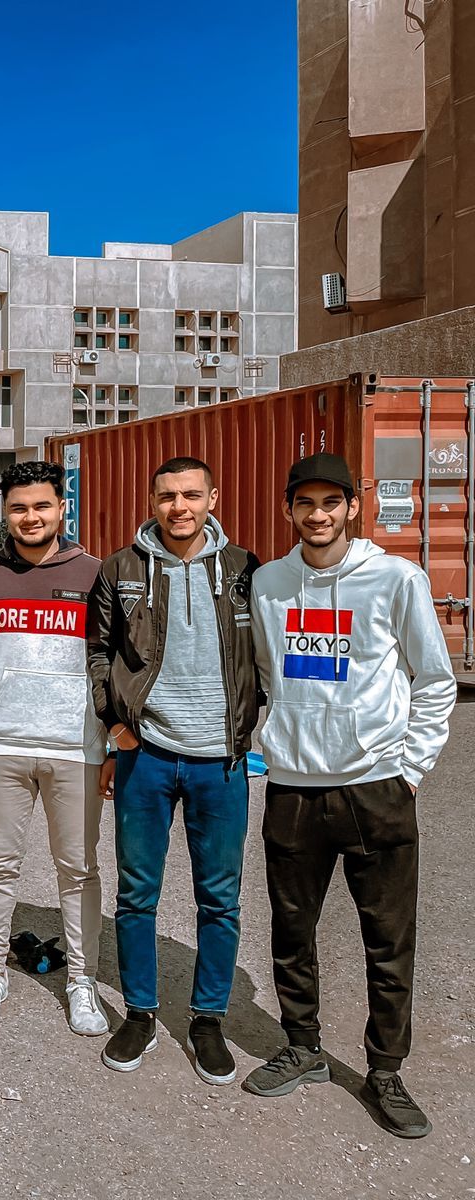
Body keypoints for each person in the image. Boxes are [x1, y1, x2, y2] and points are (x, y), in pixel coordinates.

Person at [241, 453, 455, 1138]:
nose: (318, 515)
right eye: (305, 503)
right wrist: (277, 742)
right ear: (288, 510)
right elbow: (268, 673)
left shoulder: (396, 578)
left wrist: (409, 769)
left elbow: (434, 679)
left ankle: (385, 1071)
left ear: (352, 508)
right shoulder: (270, 583)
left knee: (388, 941)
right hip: (294, 791)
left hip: (376, 790)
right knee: (291, 931)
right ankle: (302, 1046)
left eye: (331, 502)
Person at [86, 456, 259, 1084]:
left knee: (220, 898)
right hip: (148, 756)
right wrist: (115, 726)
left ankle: (208, 1020)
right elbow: (97, 650)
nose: (178, 507)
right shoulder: (121, 569)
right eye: (167, 496)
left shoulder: (244, 570)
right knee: (137, 894)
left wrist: (253, 722)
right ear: (152, 501)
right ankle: (140, 1013)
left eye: (190, 495)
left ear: (213, 498)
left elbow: (266, 653)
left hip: (222, 761)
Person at [0, 461, 107, 1035]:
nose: (31, 517)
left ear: (62, 508)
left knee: (79, 869)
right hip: (0, 747)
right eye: (18, 507)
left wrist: (112, 747)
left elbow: (111, 665)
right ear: (5, 512)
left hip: (76, 749)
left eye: (42, 505)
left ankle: (82, 981)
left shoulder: (95, 575)